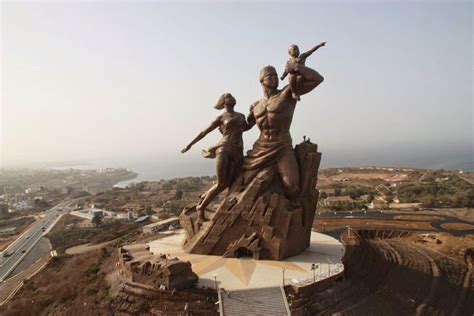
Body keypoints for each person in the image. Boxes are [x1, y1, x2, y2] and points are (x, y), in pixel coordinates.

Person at [244, 61, 324, 202]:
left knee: (292, 187)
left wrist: (297, 67)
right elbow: (244, 127)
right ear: (262, 81)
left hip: (282, 146)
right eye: (270, 76)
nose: (275, 78)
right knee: (243, 183)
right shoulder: (255, 106)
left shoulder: (288, 93)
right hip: (260, 148)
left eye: (276, 75)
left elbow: (317, 79)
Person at [181, 93, 248, 221]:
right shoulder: (221, 117)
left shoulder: (241, 116)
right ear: (223, 102)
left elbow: (246, 127)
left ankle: (208, 198)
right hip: (224, 148)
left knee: (233, 183)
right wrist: (189, 145)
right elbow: (204, 132)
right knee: (222, 183)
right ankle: (200, 208)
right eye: (229, 96)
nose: (232, 97)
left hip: (238, 151)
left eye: (233, 96)